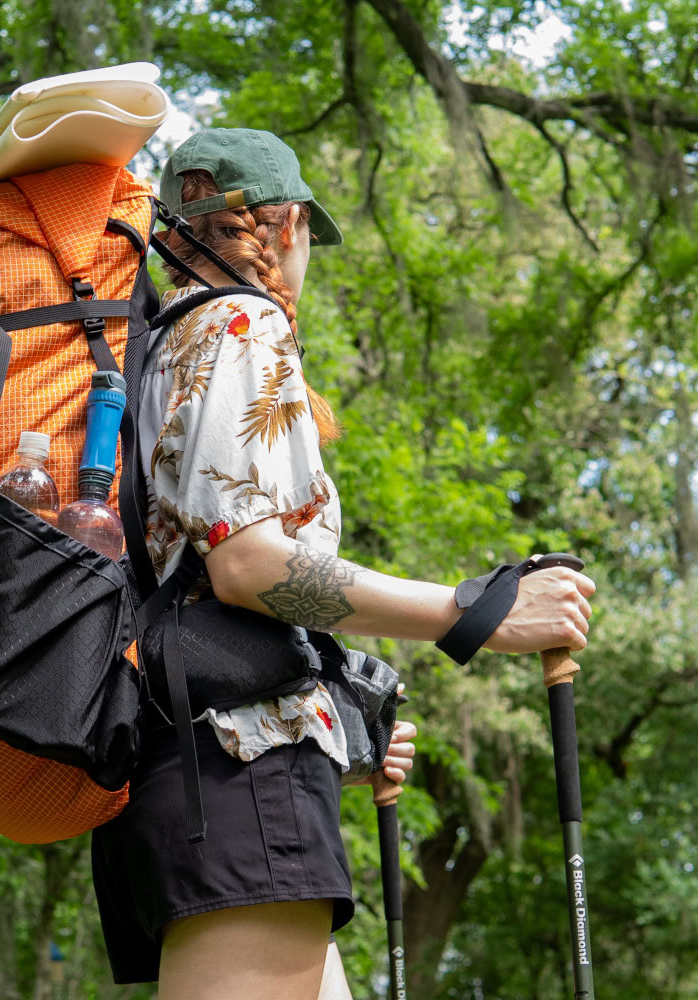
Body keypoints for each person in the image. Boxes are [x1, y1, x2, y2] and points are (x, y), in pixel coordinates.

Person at [90, 128, 596, 999]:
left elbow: (196, 585)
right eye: (307, 237)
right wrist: (473, 611)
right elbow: (247, 566)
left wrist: (345, 717)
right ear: (285, 226)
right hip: (240, 785)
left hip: (201, 772)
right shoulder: (240, 325)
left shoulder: (156, 352)